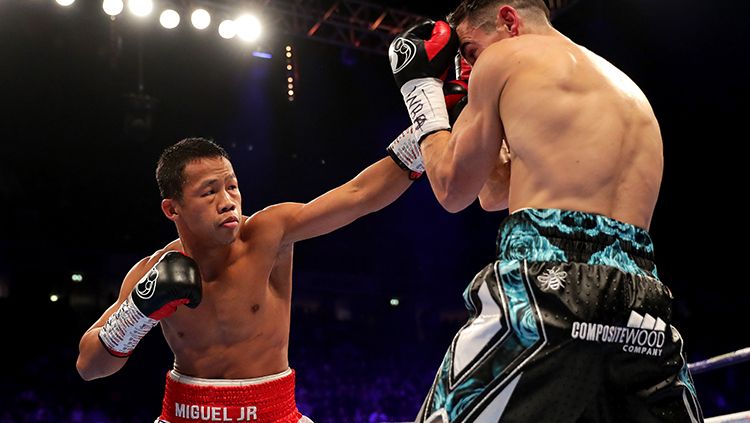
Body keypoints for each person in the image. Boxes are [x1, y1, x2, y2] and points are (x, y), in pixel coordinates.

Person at [387, 1, 704, 422]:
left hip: (544, 284)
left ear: (507, 20)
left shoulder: (502, 58)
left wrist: (422, 93)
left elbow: (451, 189)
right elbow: (494, 193)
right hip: (642, 304)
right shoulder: (626, 88)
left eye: (469, 51)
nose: (467, 69)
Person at [75, 135, 422, 423]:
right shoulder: (151, 270)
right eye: (210, 192)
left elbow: (358, 196)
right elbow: (89, 367)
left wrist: (424, 137)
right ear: (172, 209)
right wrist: (137, 313)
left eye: (232, 186)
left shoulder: (268, 235)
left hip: (274, 412)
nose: (228, 202)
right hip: (184, 413)